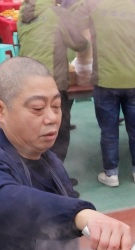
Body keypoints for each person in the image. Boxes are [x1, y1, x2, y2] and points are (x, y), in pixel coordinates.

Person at [0, 57, 133, 250]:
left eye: (56, 106)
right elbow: (5, 201)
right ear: (0, 110)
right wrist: (81, 214)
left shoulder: (48, 158)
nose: (52, 118)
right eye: (37, 108)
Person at [72, 0, 135, 188]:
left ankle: (111, 173)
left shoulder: (96, 8)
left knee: (109, 131)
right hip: (133, 80)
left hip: (105, 81)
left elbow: (72, 21)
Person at [17, 0, 88, 164]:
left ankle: (35, 170)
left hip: (27, 79)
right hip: (52, 82)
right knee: (58, 130)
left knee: (35, 129)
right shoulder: (57, 13)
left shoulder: (23, 14)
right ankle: (54, 174)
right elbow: (78, 42)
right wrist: (88, 42)